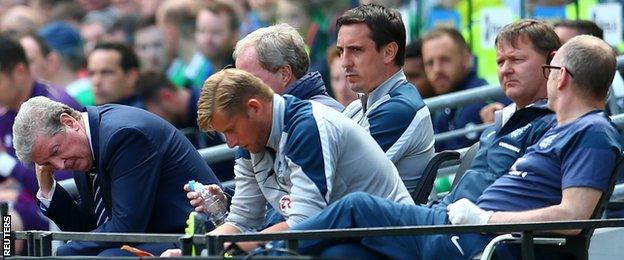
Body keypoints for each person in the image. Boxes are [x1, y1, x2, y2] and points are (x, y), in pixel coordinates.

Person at [288, 34, 622, 259]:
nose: (546, 77)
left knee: (357, 207)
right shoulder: (559, 130)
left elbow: (574, 217)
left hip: (478, 241)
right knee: (342, 254)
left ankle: (261, 247)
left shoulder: (593, 132)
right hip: (453, 226)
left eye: (549, 69)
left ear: (561, 76)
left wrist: (487, 218)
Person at [161, 69, 413, 257]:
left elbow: (303, 225)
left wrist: (217, 250)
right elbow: (241, 221)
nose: (230, 143)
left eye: (231, 130)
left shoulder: (308, 127)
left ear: (255, 107)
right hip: (343, 238)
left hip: (389, 239)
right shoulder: (251, 138)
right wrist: (190, 251)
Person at [12, 96, 220, 256]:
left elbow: (126, 228)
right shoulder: (84, 144)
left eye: (55, 151)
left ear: (69, 122)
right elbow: (89, 229)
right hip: (152, 236)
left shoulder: (124, 135)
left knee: (108, 257)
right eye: (47, 163)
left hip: (193, 236)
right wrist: (48, 189)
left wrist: (63, 251)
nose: (60, 165)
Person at [338, 4, 434, 193]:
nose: (344, 62)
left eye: (356, 50)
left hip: (381, 221)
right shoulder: (357, 106)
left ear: (389, 52)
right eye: (341, 51)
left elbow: (336, 181)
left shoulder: (400, 108)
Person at [0, 35, 81, 235]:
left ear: (19, 72)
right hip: (24, 203)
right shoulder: (7, 112)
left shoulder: (52, 108)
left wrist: (7, 165)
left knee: (3, 222)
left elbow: (64, 181)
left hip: (60, 213)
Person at [136, 71, 233, 181]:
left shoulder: (212, 108)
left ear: (166, 96)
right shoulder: (185, 120)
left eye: (153, 112)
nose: (158, 119)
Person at [233, 23, 344, 112]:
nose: (242, 92)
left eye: (251, 80)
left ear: (284, 74)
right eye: (241, 83)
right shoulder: (287, 116)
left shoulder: (316, 118)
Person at [422, 27, 490, 151]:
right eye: (429, 63)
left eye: (445, 60)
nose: (437, 69)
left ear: (466, 59)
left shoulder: (483, 102)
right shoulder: (445, 109)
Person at [191, 0, 240, 89]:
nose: (207, 39)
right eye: (202, 31)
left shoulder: (240, 74)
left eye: (216, 32)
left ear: (234, 35)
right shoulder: (199, 69)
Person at [88, 41, 143, 107]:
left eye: (106, 73)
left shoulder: (144, 114)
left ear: (131, 77)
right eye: (91, 73)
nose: (96, 81)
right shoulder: (87, 114)